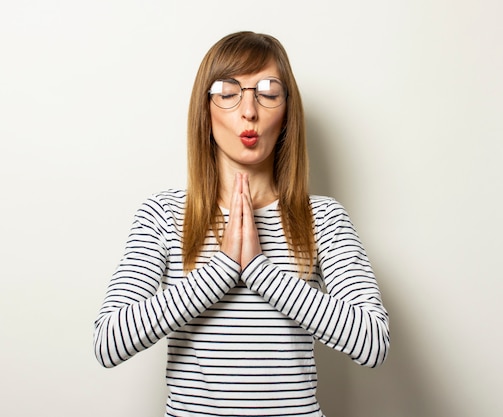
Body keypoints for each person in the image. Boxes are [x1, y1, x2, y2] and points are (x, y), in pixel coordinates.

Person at [94, 31, 389, 417]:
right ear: (206, 109)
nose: (249, 111)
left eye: (267, 92)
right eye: (227, 91)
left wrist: (258, 270)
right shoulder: (163, 214)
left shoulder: (324, 219)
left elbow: (372, 342)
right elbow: (108, 341)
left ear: (287, 114)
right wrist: (223, 268)